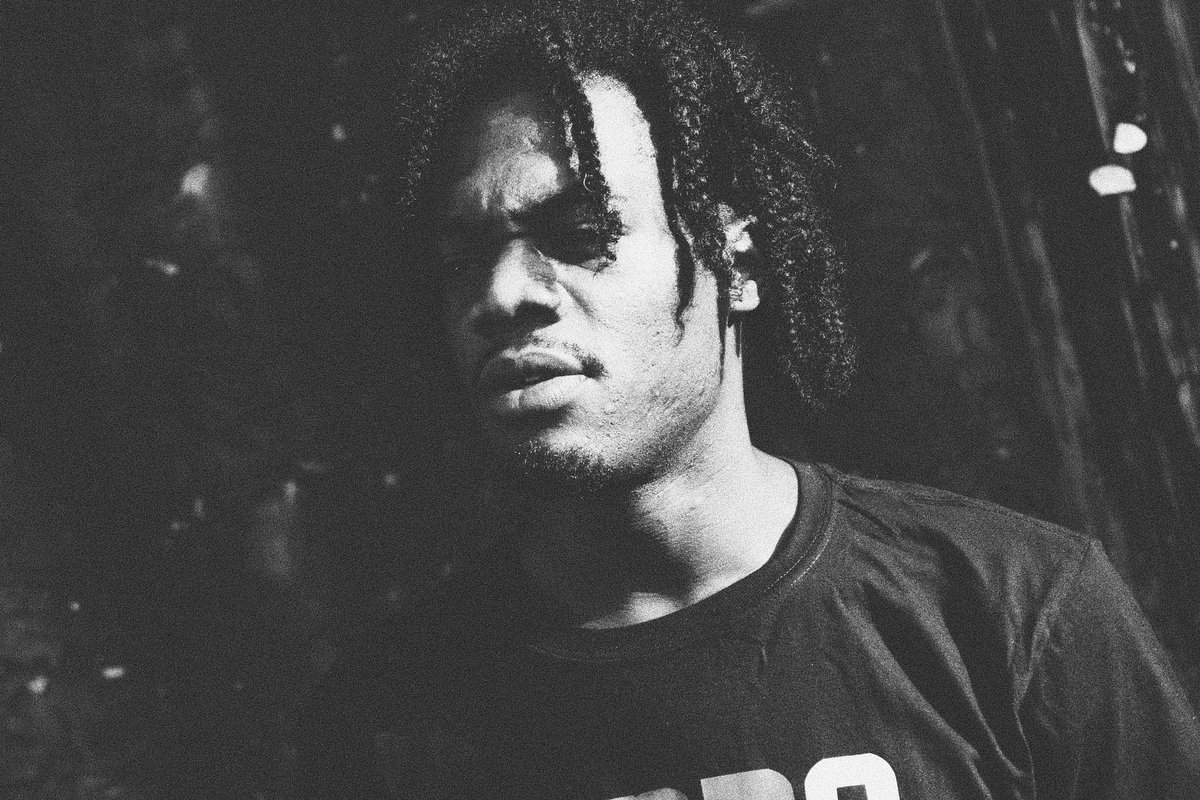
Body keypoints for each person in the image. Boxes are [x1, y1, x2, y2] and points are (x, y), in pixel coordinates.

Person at [297, 1, 1200, 797]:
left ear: (739, 263)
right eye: (463, 256)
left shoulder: (1017, 618)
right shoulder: (390, 721)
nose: (499, 294)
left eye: (578, 231)